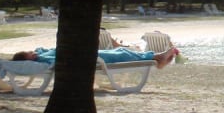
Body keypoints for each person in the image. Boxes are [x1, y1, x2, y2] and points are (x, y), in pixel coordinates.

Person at [12, 45, 180, 69]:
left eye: (31, 52)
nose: (33, 54)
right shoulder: (43, 60)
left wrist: (37, 51)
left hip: (84, 52)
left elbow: (42, 49)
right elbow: (56, 62)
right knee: (121, 54)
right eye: (31, 56)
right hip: (86, 58)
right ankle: (157, 57)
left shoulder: (40, 54)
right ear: (29, 61)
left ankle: (157, 58)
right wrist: (39, 56)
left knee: (121, 50)